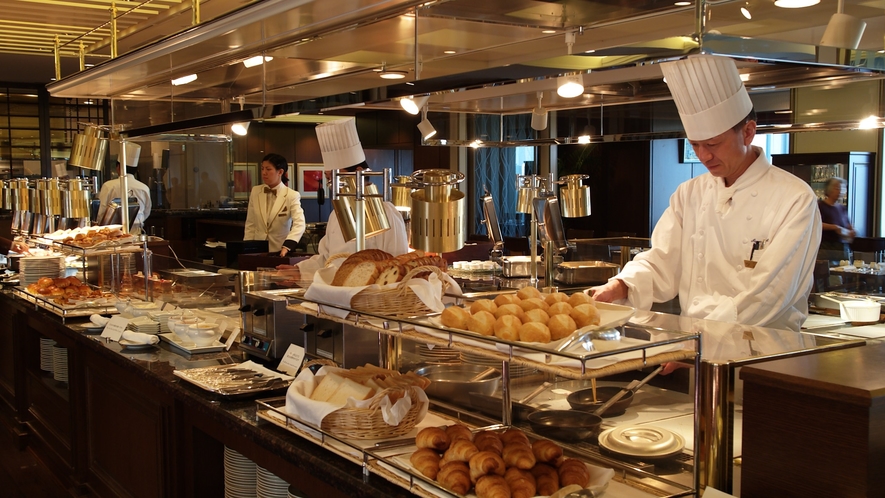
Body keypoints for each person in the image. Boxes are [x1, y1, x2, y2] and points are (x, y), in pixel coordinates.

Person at [591, 54, 822, 332]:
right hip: (695, 341)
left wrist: (704, 334)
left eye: (712, 144)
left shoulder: (795, 199)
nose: (703, 155)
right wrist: (619, 285)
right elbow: (663, 260)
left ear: (748, 132)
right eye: (695, 145)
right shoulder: (690, 193)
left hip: (764, 348)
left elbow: (770, 294)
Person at [278, 118, 410, 281]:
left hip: (371, 292)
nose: (331, 185)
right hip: (337, 291)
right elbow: (327, 259)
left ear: (358, 172)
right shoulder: (336, 214)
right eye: (328, 178)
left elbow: (397, 264)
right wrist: (299, 271)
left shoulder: (386, 213)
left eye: (336, 176)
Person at [243, 153, 306, 256]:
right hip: (258, 250)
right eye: (262, 168)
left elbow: (299, 223)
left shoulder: (291, 195)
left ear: (280, 172)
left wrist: (287, 246)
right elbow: (251, 223)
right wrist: (247, 247)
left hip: (280, 250)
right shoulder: (256, 191)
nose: (264, 173)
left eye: (268, 169)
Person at [96, 161, 152, 234]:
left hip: (112, 232)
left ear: (118, 168)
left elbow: (101, 211)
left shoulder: (108, 186)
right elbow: (146, 211)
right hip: (136, 231)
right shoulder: (144, 187)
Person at [817, 177, 854, 263]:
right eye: (837, 188)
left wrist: (852, 231)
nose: (840, 191)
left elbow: (847, 224)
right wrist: (835, 227)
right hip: (826, 247)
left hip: (842, 247)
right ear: (829, 189)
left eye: (843, 188)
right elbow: (816, 224)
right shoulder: (820, 206)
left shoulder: (841, 208)